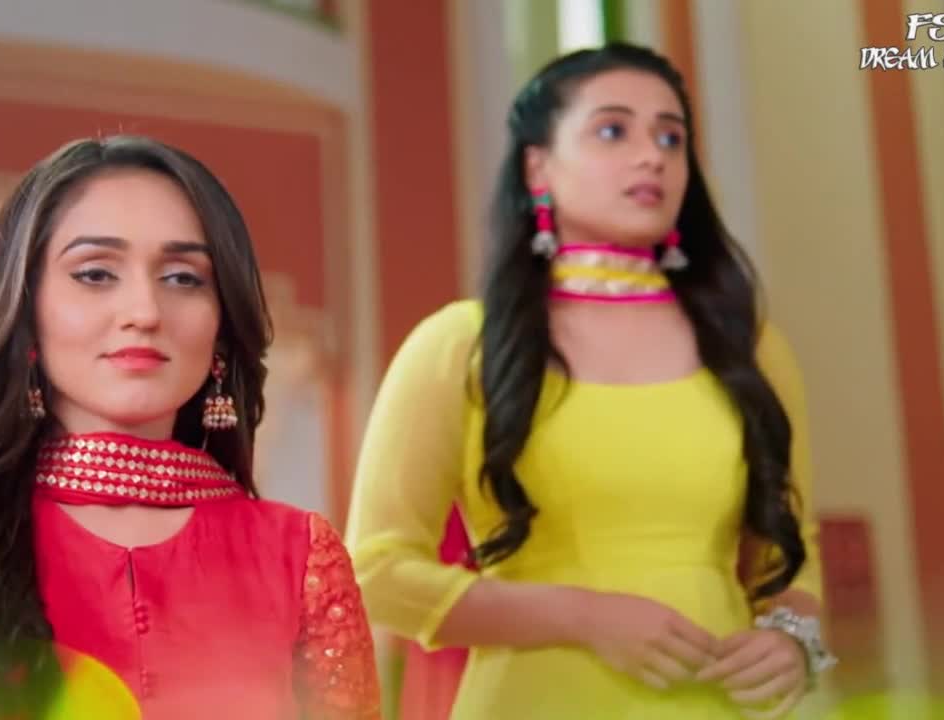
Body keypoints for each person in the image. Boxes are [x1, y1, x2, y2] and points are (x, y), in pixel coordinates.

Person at [344, 42, 834, 719]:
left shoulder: (748, 348)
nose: (651, 156)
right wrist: (585, 617)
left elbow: (791, 547)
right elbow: (375, 572)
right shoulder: (461, 345)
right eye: (613, 131)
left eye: (671, 137)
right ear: (538, 166)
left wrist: (792, 638)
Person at [0, 135, 382, 720]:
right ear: (27, 311)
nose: (145, 312)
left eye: (183, 278)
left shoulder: (303, 558)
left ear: (220, 324)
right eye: (95, 274)